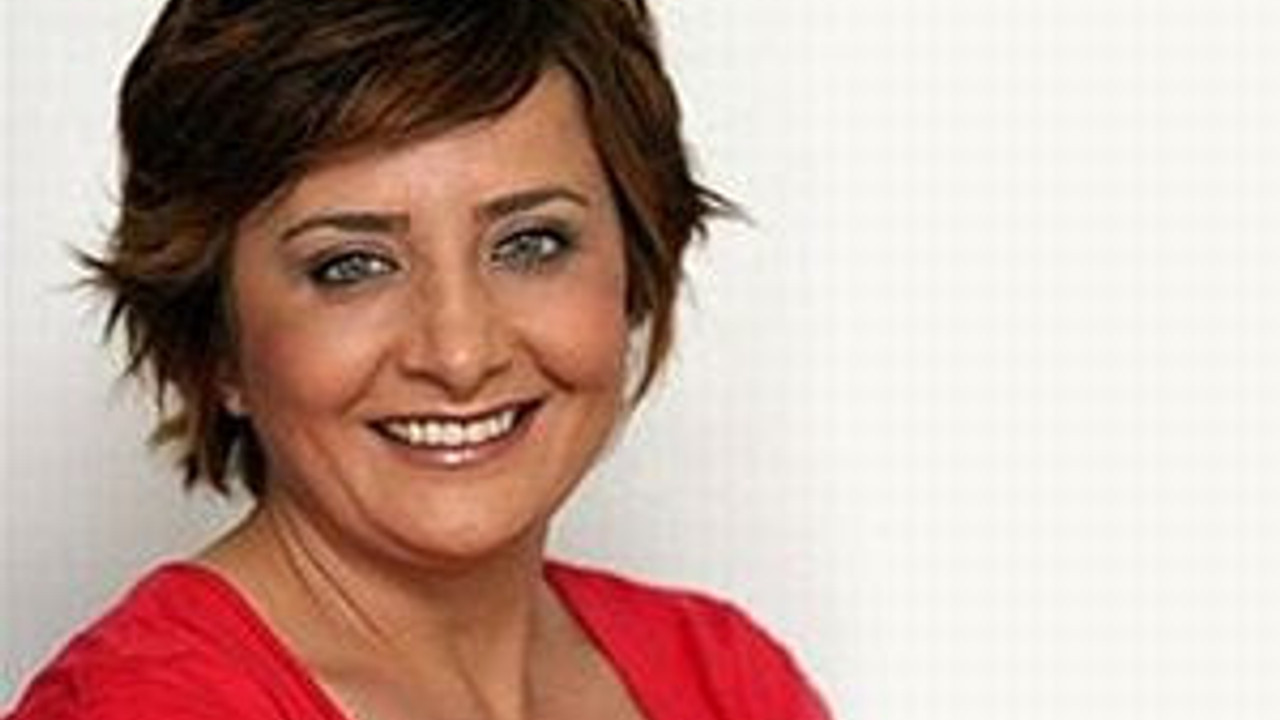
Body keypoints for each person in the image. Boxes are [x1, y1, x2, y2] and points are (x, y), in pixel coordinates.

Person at [6, 1, 831, 718]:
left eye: (531, 243)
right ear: (217, 342)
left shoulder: (726, 679)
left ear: (635, 271)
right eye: (351, 266)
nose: (460, 354)